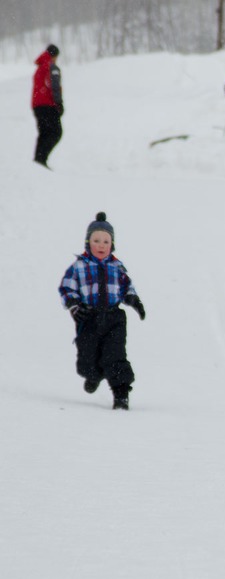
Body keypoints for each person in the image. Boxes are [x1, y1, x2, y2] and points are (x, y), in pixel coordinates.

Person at [58, 213, 146, 410]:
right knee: (87, 360)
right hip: (88, 318)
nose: (101, 245)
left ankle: (121, 393)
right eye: (96, 240)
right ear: (88, 243)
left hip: (114, 318)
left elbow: (126, 287)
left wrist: (134, 300)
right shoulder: (79, 266)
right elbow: (67, 288)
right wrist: (74, 305)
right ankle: (93, 375)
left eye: (106, 241)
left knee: (114, 355)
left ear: (112, 244)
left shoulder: (117, 267)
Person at [32, 44, 63, 168]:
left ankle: (38, 161)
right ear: (54, 56)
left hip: (37, 106)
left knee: (44, 133)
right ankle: (41, 159)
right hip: (48, 105)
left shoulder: (39, 68)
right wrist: (59, 103)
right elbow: (55, 87)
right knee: (56, 132)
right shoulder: (52, 67)